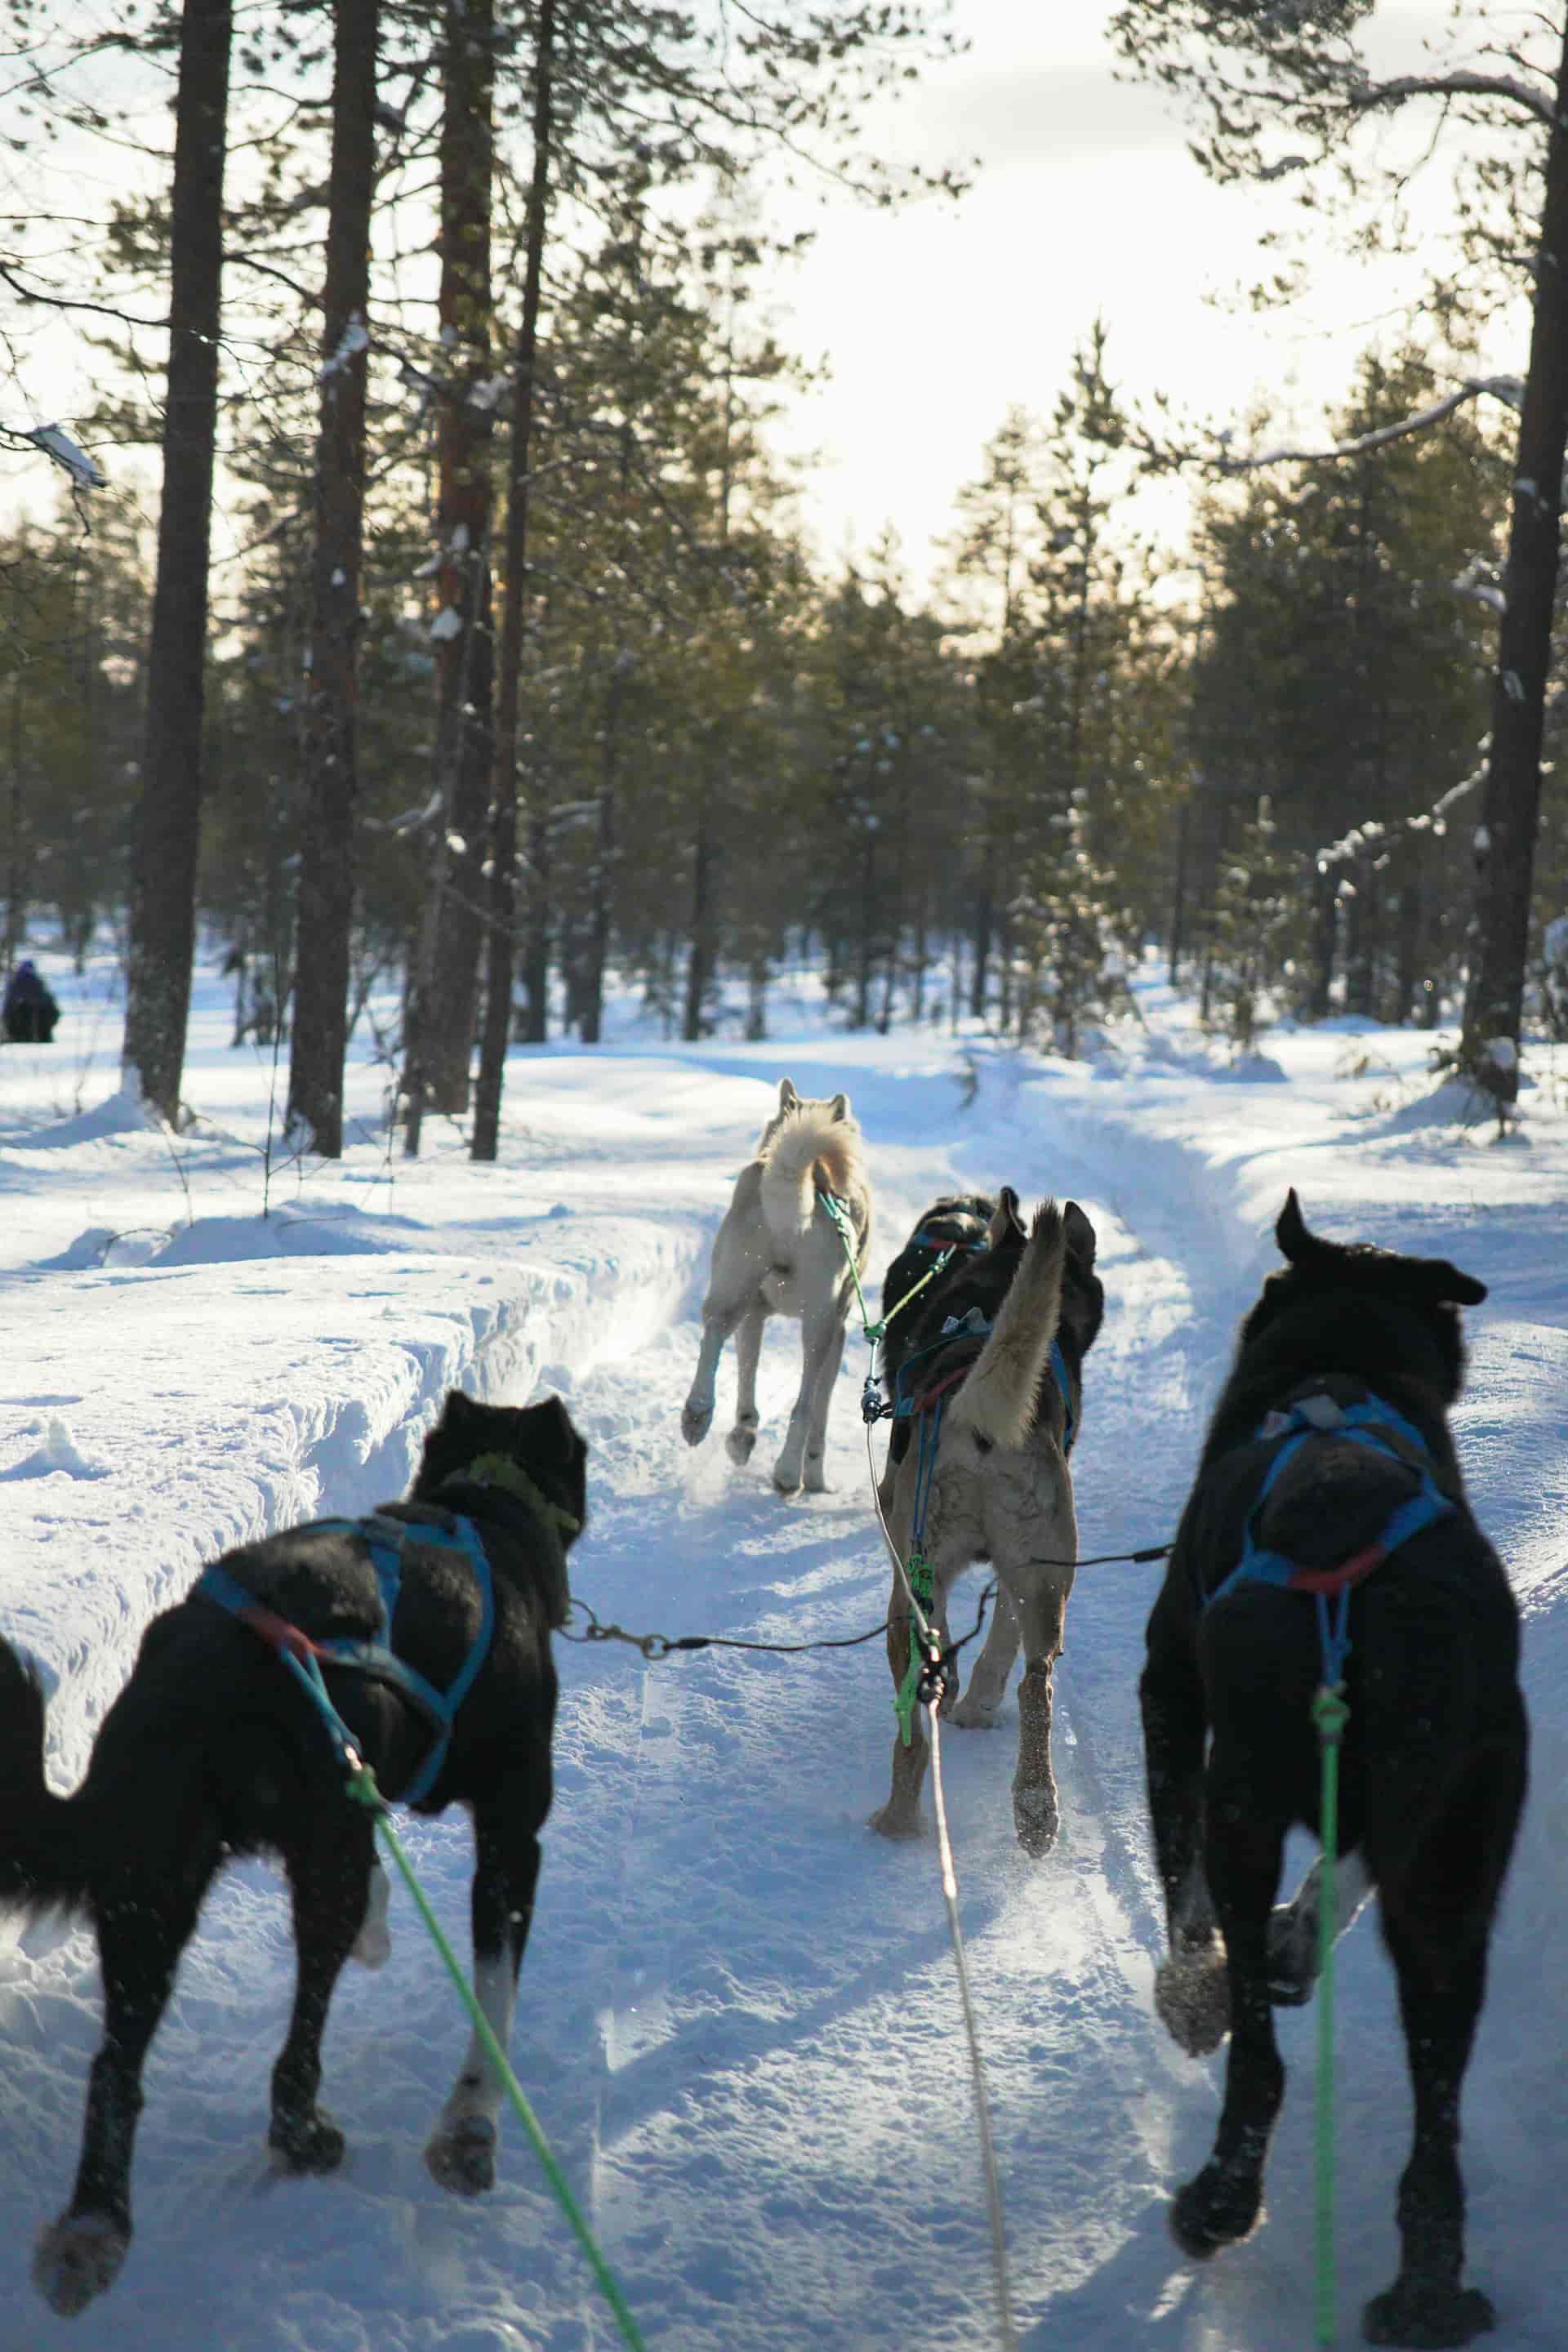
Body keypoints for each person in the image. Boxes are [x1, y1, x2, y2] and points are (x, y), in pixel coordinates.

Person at [3, 958, 60, 1043]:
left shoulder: (14, 982)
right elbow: (51, 1006)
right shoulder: (39, 982)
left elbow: (7, 1008)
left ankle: (17, 1035)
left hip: (17, 1025)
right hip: (39, 1025)